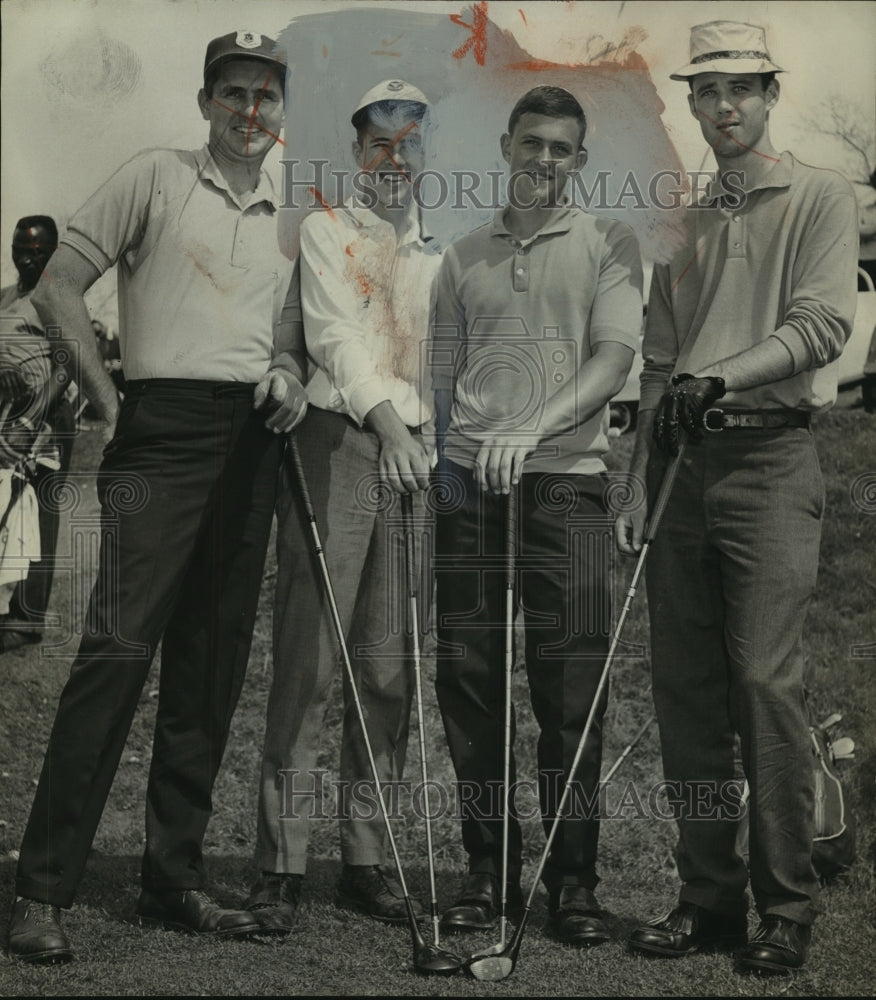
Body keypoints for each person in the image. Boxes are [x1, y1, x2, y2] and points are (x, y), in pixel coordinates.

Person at [7, 30, 308, 965]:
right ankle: (42, 890)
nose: (248, 113)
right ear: (205, 99)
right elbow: (60, 286)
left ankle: (172, 876)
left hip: (255, 436)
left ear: (280, 106)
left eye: (265, 96)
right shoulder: (155, 174)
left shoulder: (297, 207)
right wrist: (104, 396)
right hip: (160, 426)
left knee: (211, 662)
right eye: (232, 94)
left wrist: (291, 374)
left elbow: (297, 333)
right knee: (117, 651)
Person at [615, 21, 859, 976]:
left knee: (762, 682)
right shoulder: (685, 214)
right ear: (690, 101)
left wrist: (720, 381)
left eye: (741, 90)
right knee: (686, 694)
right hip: (682, 469)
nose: (722, 108)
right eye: (705, 92)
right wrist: (637, 484)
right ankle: (707, 898)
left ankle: (784, 906)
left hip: (769, 461)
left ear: (769, 93)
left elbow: (824, 323)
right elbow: (661, 361)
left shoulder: (820, 195)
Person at [431, 85, 642, 946]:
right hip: (471, 485)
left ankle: (574, 882)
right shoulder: (461, 254)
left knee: (571, 690)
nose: (545, 160)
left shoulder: (610, 242)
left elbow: (614, 358)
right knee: (473, 682)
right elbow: (440, 384)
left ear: (579, 159)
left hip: (573, 487)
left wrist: (533, 425)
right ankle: (489, 871)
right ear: (507, 146)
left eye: (562, 148)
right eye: (533, 143)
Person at [246, 80, 439, 934]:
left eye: (409, 144)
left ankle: (369, 858)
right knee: (310, 663)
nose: (393, 160)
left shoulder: (446, 256)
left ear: (426, 153)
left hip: (420, 462)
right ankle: (280, 862)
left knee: (390, 672)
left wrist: (430, 446)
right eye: (378, 145)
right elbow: (332, 338)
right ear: (359, 154)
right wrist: (393, 432)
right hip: (344, 445)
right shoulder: (326, 232)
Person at [0, 216, 75, 652]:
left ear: (53, 253)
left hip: (45, 418)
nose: (27, 258)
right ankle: (8, 606)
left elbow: (67, 363)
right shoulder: (7, 297)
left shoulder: (57, 298)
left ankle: (29, 619)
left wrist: (32, 417)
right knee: (11, 508)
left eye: (38, 250)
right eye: (20, 248)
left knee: (41, 511)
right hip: (9, 414)